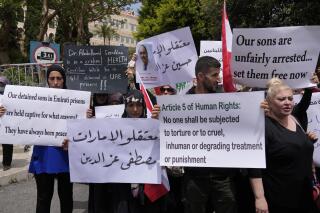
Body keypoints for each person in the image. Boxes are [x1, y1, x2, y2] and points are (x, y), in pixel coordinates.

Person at [249, 78, 316, 213]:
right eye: (281, 99)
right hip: (280, 198)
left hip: (304, 195)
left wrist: (306, 142)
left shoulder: (294, 118)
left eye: (290, 98)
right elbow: (254, 166)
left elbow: (291, 147)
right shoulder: (263, 127)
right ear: (268, 102)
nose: (287, 103)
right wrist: (260, 198)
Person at [183, 56, 237, 213]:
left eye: (218, 75)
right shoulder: (182, 104)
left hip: (222, 175)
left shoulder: (226, 100)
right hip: (195, 175)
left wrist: (257, 109)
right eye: (214, 75)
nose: (218, 79)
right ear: (200, 77)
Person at [28, 64, 73, 213]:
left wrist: (87, 115)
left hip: (66, 154)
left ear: (63, 80)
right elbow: (22, 115)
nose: (55, 82)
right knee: (43, 197)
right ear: (47, 80)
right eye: (52, 78)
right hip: (44, 154)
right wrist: (5, 111)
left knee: (66, 196)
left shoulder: (74, 101)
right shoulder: (37, 99)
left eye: (59, 78)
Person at [0, 76, 13, 171]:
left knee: (7, 144)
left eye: (2, 84)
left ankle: (6, 163)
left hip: (7, 123)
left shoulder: (12, 96)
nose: (1, 86)